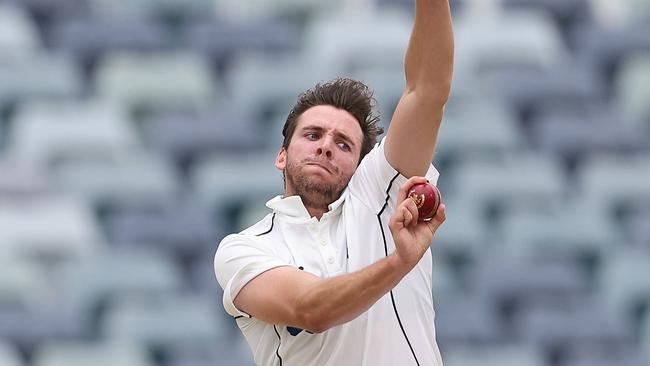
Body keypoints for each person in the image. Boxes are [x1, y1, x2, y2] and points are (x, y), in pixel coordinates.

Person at [214, 1, 454, 365]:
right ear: (282, 155)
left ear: (361, 166)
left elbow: (428, 89)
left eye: (343, 144)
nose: (326, 146)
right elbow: (311, 310)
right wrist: (399, 263)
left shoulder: (379, 195)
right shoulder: (244, 248)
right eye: (312, 135)